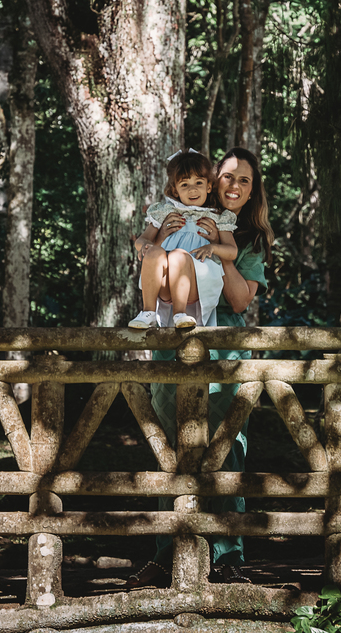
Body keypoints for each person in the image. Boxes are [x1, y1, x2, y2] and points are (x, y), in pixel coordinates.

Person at [126, 147, 274, 587]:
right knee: (169, 443)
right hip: (175, 339)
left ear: (252, 190)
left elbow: (240, 301)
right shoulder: (180, 212)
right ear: (213, 179)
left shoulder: (247, 237)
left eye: (244, 180)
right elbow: (150, 256)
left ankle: (228, 557)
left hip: (225, 346)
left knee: (227, 447)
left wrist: (219, 250)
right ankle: (166, 553)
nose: (235, 185)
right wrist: (157, 241)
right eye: (228, 176)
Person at [129, 149, 239, 329]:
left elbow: (232, 251)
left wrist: (213, 247)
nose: (192, 189)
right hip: (165, 285)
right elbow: (141, 241)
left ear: (209, 186)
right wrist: (147, 246)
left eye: (198, 182)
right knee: (155, 252)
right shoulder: (165, 212)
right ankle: (147, 312)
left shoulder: (217, 217)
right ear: (175, 190)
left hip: (198, 283)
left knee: (177, 256)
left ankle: (180, 314)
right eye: (184, 184)